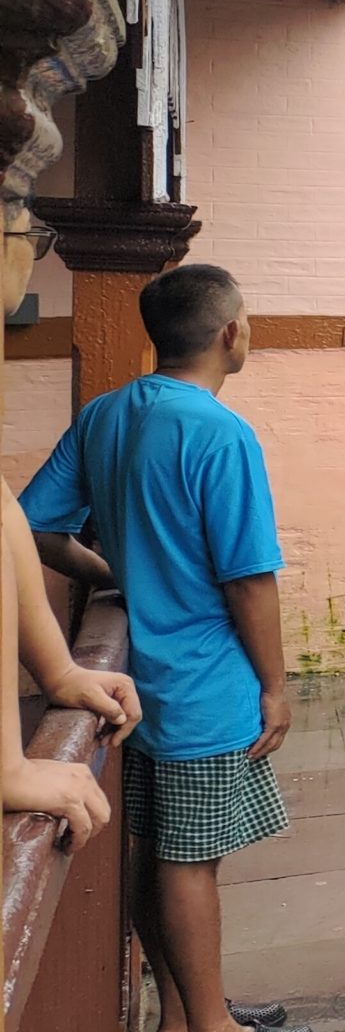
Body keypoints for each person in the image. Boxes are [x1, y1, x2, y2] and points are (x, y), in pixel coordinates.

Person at [21, 263, 304, 1032]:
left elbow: (36, 527)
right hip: (200, 683)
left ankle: (183, 1016)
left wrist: (108, 570)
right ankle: (212, 1026)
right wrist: (275, 686)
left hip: (130, 677)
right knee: (189, 862)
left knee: (154, 852)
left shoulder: (108, 413)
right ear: (230, 334)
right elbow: (249, 581)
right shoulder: (221, 433)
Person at [0, 205, 142, 856]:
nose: (30, 253)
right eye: (26, 232)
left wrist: (59, 669)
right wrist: (9, 764)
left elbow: (11, 515)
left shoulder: (103, 413)